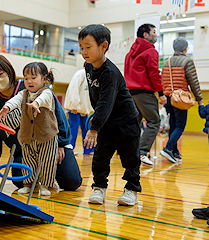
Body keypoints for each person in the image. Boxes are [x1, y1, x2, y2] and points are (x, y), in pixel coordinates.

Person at [0, 54, 82, 191]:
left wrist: (61, 144)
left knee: (72, 182)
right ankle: (39, 175)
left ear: (9, 72)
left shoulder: (32, 86)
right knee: (20, 182)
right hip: (24, 151)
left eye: (0, 74)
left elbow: (59, 115)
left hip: (51, 144)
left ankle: (47, 176)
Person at [79, 24, 141, 205]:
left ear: (103, 46)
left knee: (130, 157)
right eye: (81, 47)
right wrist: (100, 121)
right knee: (100, 156)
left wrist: (94, 127)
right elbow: (95, 97)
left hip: (126, 121)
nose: (84, 51)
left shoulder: (110, 72)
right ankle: (99, 188)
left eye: (88, 47)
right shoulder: (88, 66)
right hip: (107, 122)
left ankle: (131, 189)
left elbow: (106, 102)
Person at [0, 62, 58, 196]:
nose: (29, 81)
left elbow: (43, 99)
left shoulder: (47, 92)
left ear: (44, 79)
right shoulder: (23, 93)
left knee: (46, 160)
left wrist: (36, 103)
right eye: (26, 78)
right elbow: (15, 100)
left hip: (46, 136)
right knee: (28, 159)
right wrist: (7, 107)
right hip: (27, 136)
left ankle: (45, 184)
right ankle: (28, 184)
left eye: (33, 77)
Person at [124, 23, 166, 166]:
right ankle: (142, 152)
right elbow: (154, 74)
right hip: (145, 93)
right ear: (146, 34)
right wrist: (161, 93)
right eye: (154, 32)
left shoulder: (129, 53)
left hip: (131, 93)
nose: (156, 34)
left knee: (134, 124)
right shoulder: (150, 51)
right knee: (154, 121)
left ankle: (129, 152)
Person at [159, 37, 203, 163]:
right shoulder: (187, 61)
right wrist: (199, 99)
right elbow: (193, 82)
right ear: (185, 48)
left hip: (168, 97)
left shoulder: (166, 62)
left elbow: (162, 81)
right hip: (180, 98)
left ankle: (174, 151)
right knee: (180, 126)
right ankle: (167, 148)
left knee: (173, 125)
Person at [64, 68, 94, 154]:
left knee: (87, 128)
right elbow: (74, 89)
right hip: (75, 108)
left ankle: (89, 149)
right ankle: (70, 148)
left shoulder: (91, 76)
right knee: (74, 127)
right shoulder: (80, 74)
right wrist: (74, 105)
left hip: (83, 109)